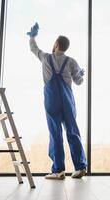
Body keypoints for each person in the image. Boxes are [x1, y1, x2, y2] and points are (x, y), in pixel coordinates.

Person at [27, 22, 87, 180]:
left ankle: (58, 170)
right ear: (66, 47)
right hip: (68, 101)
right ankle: (80, 167)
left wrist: (32, 36)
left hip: (52, 100)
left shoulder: (46, 58)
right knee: (72, 131)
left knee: (55, 133)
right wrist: (81, 74)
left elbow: (34, 49)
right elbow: (78, 81)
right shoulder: (72, 61)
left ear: (56, 44)